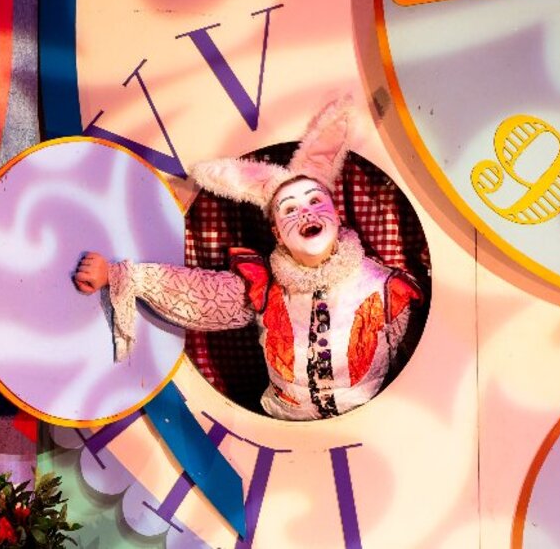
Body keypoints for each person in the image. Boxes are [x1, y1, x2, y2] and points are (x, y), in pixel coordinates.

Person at [74, 97, 422, 420]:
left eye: (315, 201)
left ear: (336, 212)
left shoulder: (384, 287)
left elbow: (415, 364)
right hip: (283, 428)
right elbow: (197, 295)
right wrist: (120, 275)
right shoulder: (265, 286)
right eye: (290, 209)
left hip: (367, 426)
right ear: (276, 232)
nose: (306, 213)